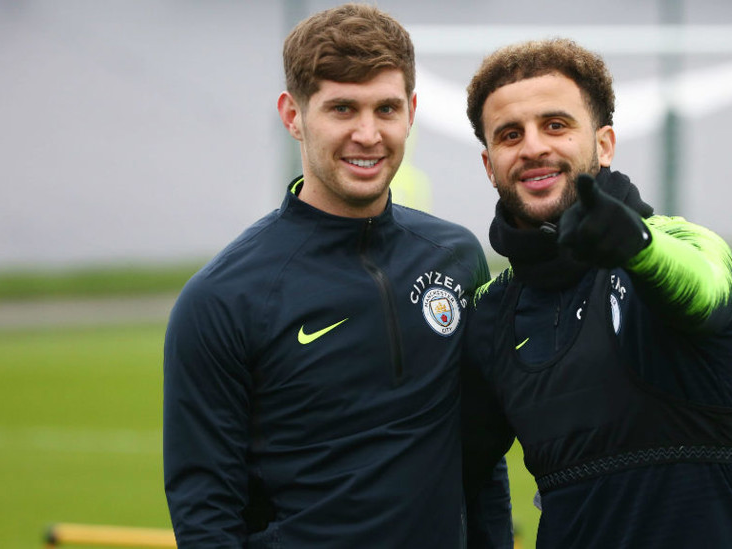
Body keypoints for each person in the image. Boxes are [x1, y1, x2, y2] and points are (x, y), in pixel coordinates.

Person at [163, 4, 511, 547]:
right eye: (342, 108)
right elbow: (205, 514)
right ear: (293, 114)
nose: (368, 134)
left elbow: (482, 458)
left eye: (386, 109)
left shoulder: (455, 258)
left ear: (412, 111)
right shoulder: (223, 299)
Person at [460, 38, 732, 548]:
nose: (534, 146)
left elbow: (706, 293)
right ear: (490, 163)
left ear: (604, 144)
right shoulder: (492, 311)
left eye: (556, 125)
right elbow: (455, 472)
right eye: (510, 134)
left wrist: (637, 246)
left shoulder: (685, 243)